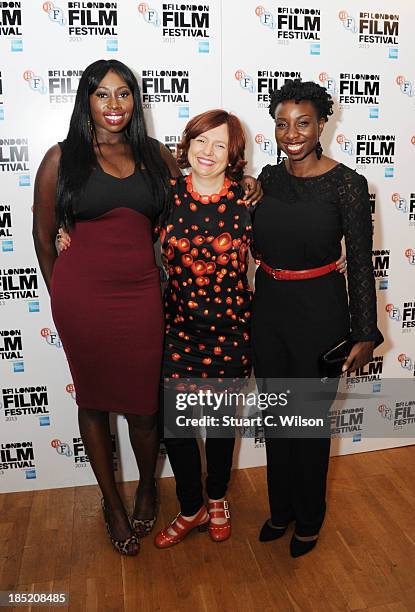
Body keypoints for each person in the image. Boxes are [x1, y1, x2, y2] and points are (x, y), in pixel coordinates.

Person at [32, 59, 178, 556]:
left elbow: (197, 203)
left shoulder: (157, 156)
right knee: (92, 402)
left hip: (142, 294)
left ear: (135, 101)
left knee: (143, 405)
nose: (114, 105)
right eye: (102, 94)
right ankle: (111, 502)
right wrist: (61, 298)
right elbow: (41, 237)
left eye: (123, 94)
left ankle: (146, 485)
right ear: (86, 101)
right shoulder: (62, 158)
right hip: (82, 299)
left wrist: (248, 185)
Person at [251, 79, 380, 557]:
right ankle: (280, 510)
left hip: (321, 313)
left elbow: (361, 261)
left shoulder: (347, 183)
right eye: (282, 124)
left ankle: (309, 518)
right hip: (269, 312)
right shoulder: (264, 179)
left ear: (322, 123)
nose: (292, 133)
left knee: (308, 423)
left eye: (303, 122)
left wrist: (364, 333)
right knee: (276, 416)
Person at [154, 110, 254, 547]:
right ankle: (190, 506)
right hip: (177, 331)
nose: (208, 152)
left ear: (232, 153)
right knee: (176, 427)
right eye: (201, 141)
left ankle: (216, 499)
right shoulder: (167, 195)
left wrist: (336, 259)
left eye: (220, 144)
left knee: (218, 427)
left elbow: (284, 249)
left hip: (231, 333)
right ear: (188, 144)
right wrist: (68, 233)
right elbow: (121, 232)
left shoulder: (248, 201)